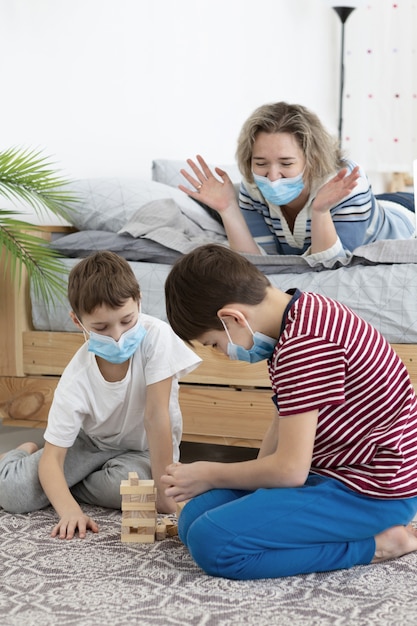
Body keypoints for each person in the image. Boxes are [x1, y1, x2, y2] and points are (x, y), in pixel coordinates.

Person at [161, 243, 417, 580]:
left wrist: (210, 473)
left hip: (371, 490)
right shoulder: (299, 313)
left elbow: (291, 471)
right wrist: (253, 490)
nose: (223, 353)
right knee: (193, 518)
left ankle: (377, 545)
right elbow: (282, 424)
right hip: (334, 471)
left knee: (213, 543)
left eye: (214, 344)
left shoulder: (305, 345)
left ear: (233, 318)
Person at [0, 251, 201, 539]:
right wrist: (69, 510)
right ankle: (21, 453)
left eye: (127, 321)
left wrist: (164, 490)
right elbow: (54, 458)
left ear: (139, 302)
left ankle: (65, 481)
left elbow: (156, 417)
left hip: (143, 450)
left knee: (141, 488)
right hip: (89, 444)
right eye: (101, 328)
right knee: (14, 494)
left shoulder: (157, 337)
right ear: (77, 321)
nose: (118, 336)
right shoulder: (76, 378)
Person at [179, 102, 415, 260]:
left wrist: (321, 212)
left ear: (311, 159)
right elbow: (262, 262)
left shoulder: (346, 183)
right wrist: (228, 209)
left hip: (403, 213)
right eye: (261, 163)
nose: (272, 176)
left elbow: (334, 263)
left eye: (286, 164)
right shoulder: (252, 187)